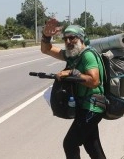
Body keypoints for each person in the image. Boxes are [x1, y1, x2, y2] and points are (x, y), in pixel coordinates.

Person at [41, 18, 107, 159]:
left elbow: (94, 81)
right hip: (85, 106)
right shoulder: (72, 55)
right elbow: (46, 49)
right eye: (65, 39)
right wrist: (46, 36)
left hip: (92, 106)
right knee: (92, 146)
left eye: (72, 38)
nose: (68, 41)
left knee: (70, 143)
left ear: (81, 39)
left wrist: (72, 72)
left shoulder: (87, 55)